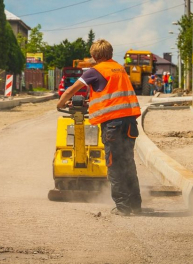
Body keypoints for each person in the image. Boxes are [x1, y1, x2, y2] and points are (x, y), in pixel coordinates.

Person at [57, 39, 142, 216]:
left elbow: (71, 89)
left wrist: (61, 103)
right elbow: (111, 95)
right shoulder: (120, 69)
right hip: (130, 123)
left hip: (113, 125)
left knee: (114, 165)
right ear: (110, 53)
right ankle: (135, 205)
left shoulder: (95, 71)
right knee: (128, 163)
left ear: (94, 56)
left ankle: (122, 207)